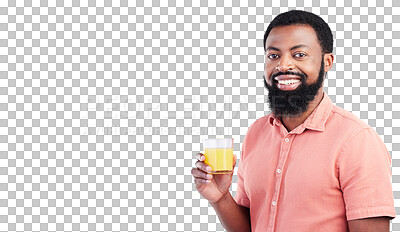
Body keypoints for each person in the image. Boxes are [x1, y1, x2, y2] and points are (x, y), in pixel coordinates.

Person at [191, 10, 396, 232]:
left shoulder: (357, 141)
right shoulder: (256, 133)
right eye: (273, 55)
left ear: (327, 62)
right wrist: (220, 198)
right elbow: (251, 227)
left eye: (299, 55)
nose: (283, 65)